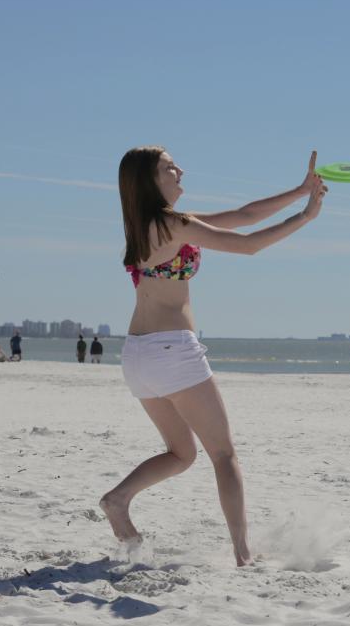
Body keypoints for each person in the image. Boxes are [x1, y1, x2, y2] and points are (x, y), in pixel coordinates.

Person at [101, 145, 326, 567]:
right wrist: (305, 218)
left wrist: (299, 191)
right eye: (170, 166)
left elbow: (243, 216)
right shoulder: (173, 223)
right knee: (223, 454)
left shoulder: (146, 224)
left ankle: (119, 499)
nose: (180, 169)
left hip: (138, 356)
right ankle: (243, 553)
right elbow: (248, 245)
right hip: (172, 351)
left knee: (181, 454)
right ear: (151, 179)